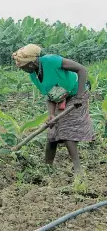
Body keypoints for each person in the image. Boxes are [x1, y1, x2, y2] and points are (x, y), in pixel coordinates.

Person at [12, 44, 94, 173]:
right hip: (60, 98)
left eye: (22, 66)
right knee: (52, 135)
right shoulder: (34, 75)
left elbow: (82, 70)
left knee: (67, 131)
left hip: (77, 94)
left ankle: (78, 170)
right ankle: (47, 168)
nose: (21, 69)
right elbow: (50, 95)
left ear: (31, 63)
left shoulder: (52, 61)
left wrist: (79, 97)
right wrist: (51, 115)